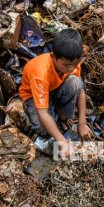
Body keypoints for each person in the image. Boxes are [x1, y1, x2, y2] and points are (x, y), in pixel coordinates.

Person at [19, 29, 93, 158]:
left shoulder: (72, 64)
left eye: (74, 64)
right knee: (43, 129)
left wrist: (82, 123)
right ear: (53, 57)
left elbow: (80, 91)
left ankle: (60, 113)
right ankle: (54, 114)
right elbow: (42, 112)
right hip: (33, 95)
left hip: (54, 88)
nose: (70, 69)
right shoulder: (41, 74)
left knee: (75, 83)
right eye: (66, 65)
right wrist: (62, 141)